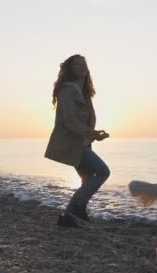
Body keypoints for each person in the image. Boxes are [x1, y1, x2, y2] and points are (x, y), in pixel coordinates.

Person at [45, 54, 110, 227]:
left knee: (88, 179)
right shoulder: (67, 90)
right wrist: (92, 133)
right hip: (72, 144)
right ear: (70, 69)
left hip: (83, 143)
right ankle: (76, 210)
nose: (82, 66)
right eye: (77, 64)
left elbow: (84, 120)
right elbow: (69, 120)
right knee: (103, 172)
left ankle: (68, 217)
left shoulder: (84, 93)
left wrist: (94, 135)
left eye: (84, 63)